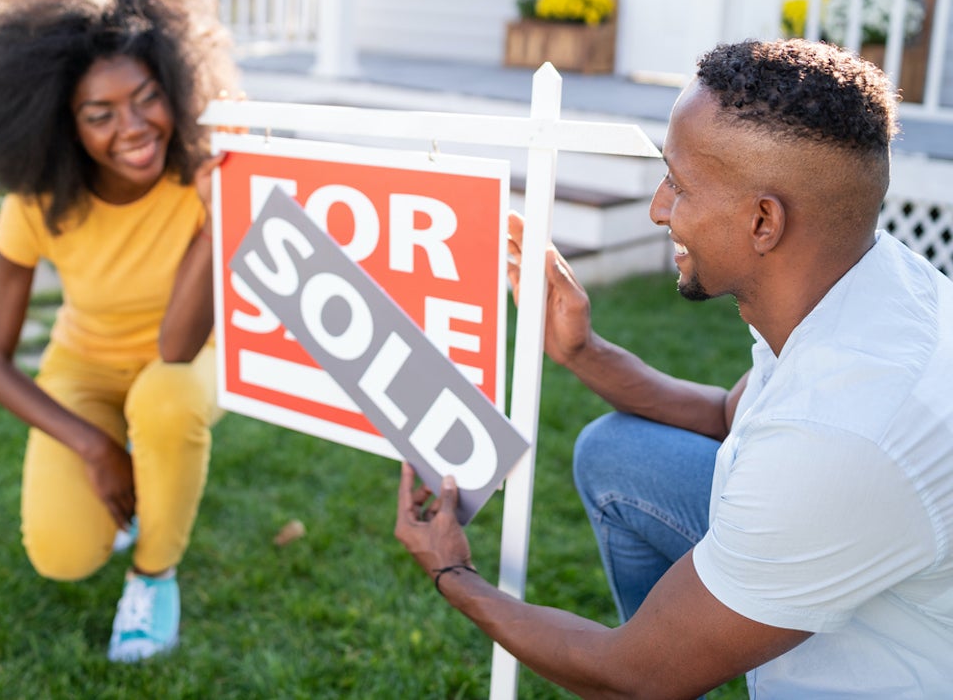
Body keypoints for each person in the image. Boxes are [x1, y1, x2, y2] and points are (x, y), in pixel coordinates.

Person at [395, 39, 953, 698]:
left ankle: (696, 644)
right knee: (618, 452)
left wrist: (453, 576)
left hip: (883, 671)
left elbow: (631, 676)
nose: (660, 208)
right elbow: (728, 415)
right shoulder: (864, 279)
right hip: (846, 544)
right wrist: (583, 350)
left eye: (679, 185)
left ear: (763, 221)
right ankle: (702, 634)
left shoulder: (839, 432)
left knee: (656, 665)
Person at [0, 0, 238, 663]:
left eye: (147, 97)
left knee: (168, 399)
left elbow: (177, 348)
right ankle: (131, 491)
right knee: (60, 553)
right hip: (84, 365)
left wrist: (215, 223)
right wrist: (94, 446)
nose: (134, 127)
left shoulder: (205, 175)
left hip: (188, 359)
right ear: (61, 121)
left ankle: (154, 576)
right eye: (100, 114)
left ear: (177, 85)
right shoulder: (39, 198)